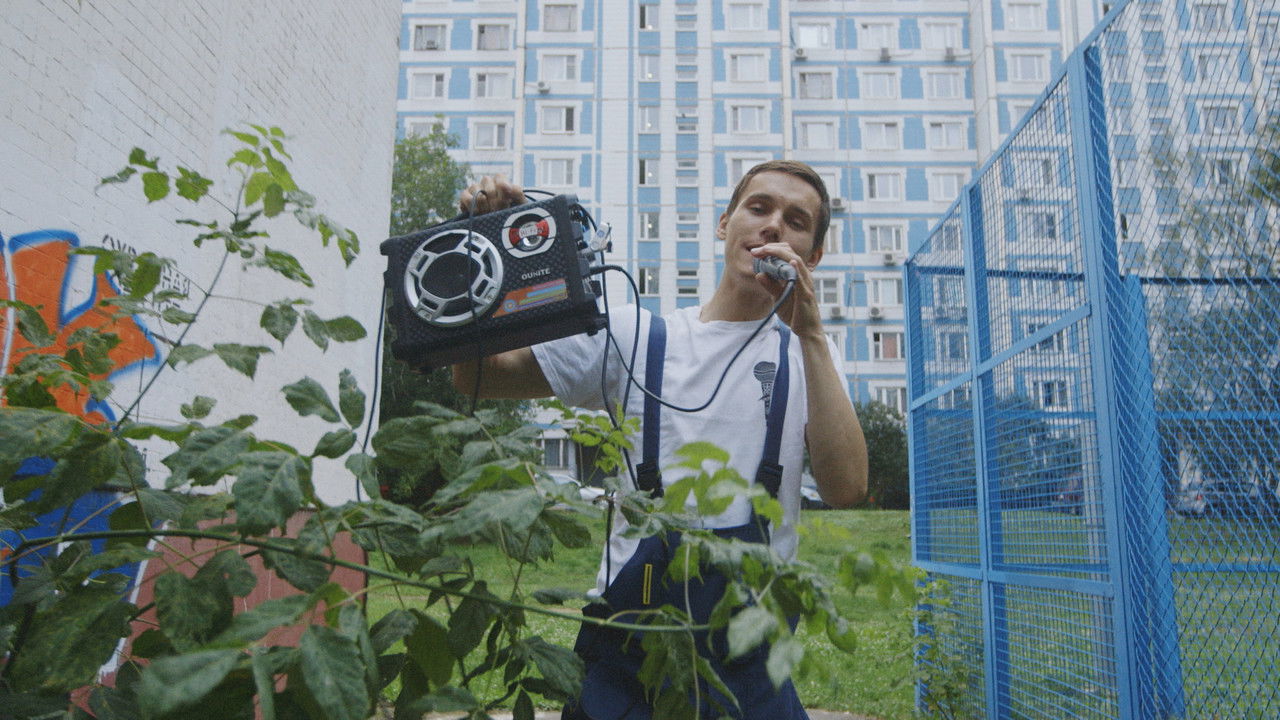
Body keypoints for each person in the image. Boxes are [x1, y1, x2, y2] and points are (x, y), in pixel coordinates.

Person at [453, 160, 867, 719]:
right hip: (626, 658)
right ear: (725, 223)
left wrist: (810, 332)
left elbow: (847, 487)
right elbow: (479, 378)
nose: (773, 226)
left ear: (811, 257)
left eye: (796, 221)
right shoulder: (637, 334)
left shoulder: (809, 355)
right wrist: (484, 244)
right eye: (759, 207)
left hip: (750, 665)